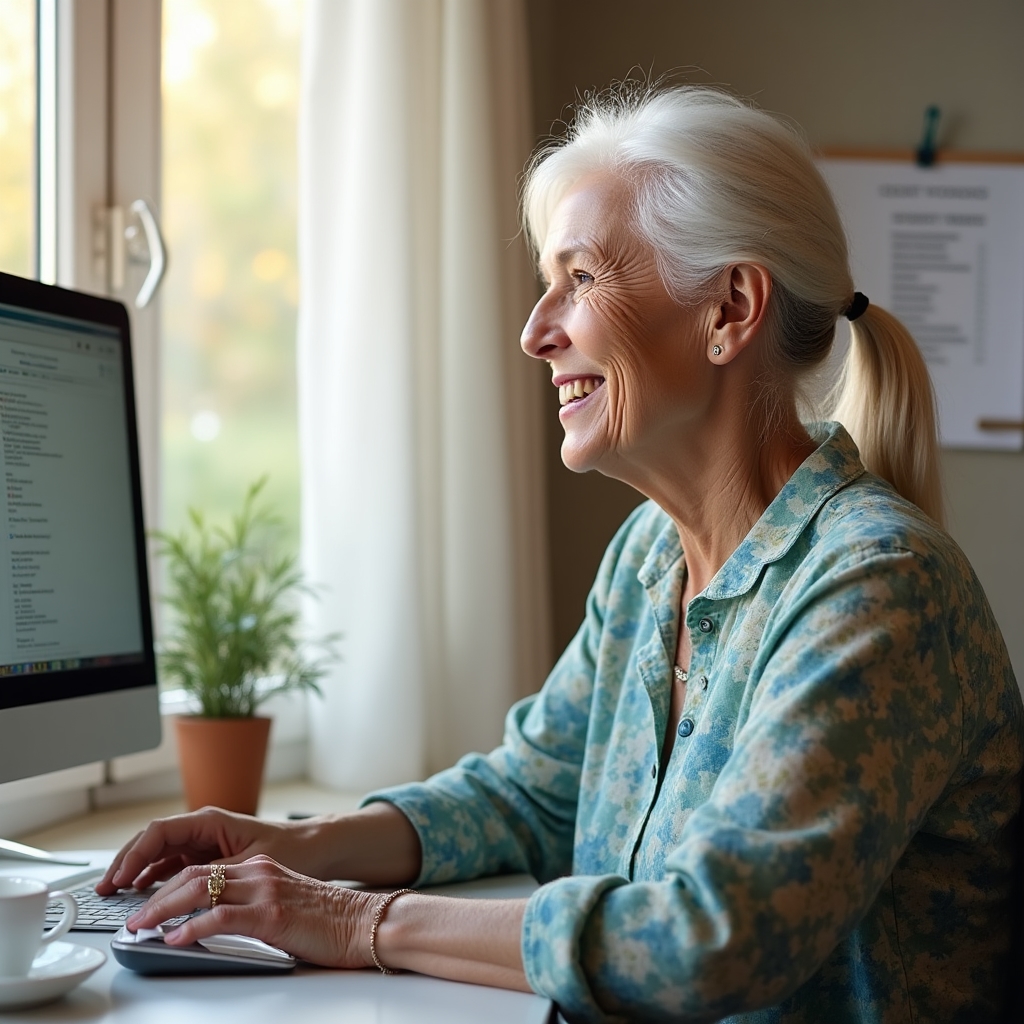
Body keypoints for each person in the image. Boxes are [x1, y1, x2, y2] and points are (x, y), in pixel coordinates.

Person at [101, 85, 1023, 1023]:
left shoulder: (879, 584)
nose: (536, 333)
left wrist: (353, 920)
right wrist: (296, 846)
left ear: (730, 308)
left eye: (581, 279)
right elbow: (531, 794)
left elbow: (706, 940)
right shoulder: (649, 559)